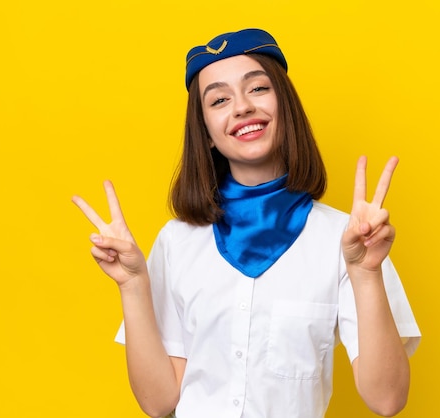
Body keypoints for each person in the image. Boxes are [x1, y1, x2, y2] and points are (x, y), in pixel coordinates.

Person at [72, 28, 420, 418]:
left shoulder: (349, 241)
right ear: (204, 133)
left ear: (285, 107)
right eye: (219, 99)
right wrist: (133, 285)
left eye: (257, 89)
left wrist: (367, 273)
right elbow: (159, 403)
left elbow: (387, 399)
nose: (241, 107)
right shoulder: (176, 242)